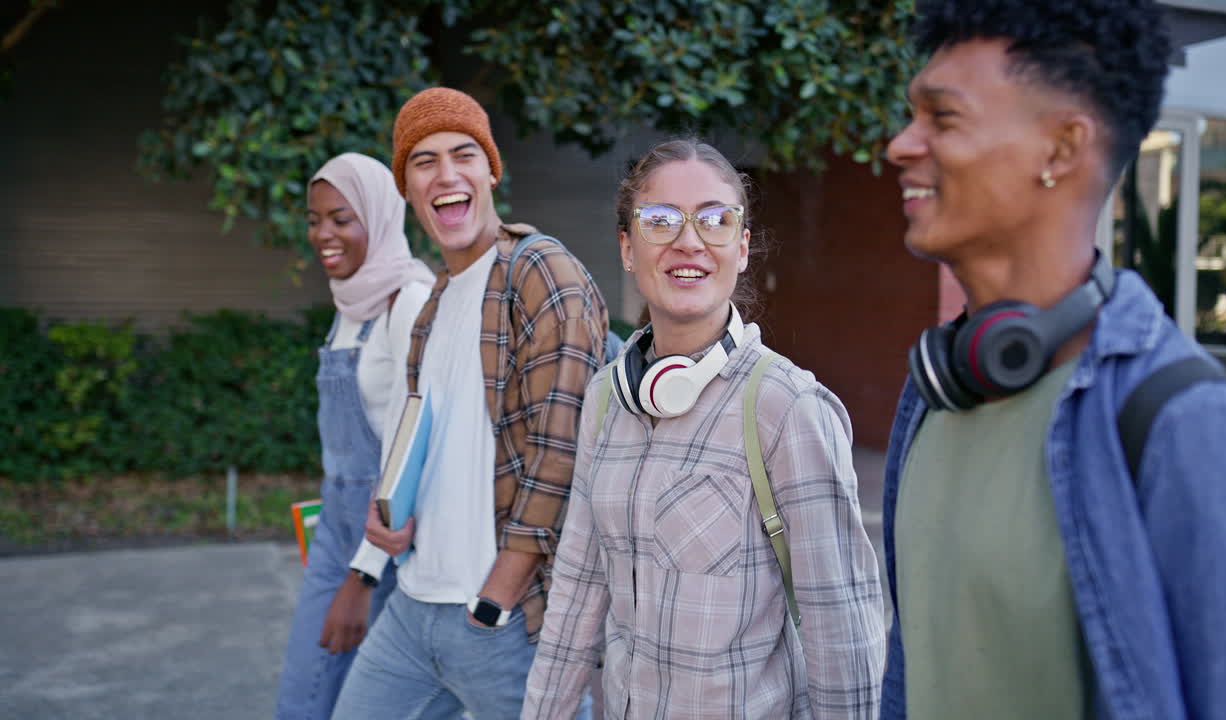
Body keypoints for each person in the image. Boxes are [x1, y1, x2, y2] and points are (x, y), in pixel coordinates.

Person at [880, 1, 1226, 718]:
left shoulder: (1189, 429)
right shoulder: (933, 397)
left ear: (1061, 149)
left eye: (943, 119)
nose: (899, 146)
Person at [521, 139, 887, 719]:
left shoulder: (786, 408)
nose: (688, 240)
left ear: (741, 250)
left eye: (716, 220)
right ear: (627, 247)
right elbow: (576, 595)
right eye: (660, 220)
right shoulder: (603, 403)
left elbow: (841, 632)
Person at [330, 87, 606, 720]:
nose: (446, 175)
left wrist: (496, 596)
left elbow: (560, 451)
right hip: (411, 608)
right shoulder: (431, 305)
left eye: (463, 155)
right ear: (406, 187)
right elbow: (429, 444)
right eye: (424, 162)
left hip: (503, 621)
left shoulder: (538, 270)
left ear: (490, 170)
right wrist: (392, 513)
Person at [275, 152, 437, 720]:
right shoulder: (348, 303)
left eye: (341, 218)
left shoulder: (408, 301)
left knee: (366, 703)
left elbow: (407, 456)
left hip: (389, 535)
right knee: (305, 692)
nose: (324, 234)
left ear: (380, 216)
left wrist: (362, 576)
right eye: (315, 219)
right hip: (335, 526)